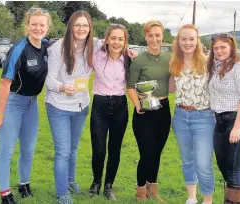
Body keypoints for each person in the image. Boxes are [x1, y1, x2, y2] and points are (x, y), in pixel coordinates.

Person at [0, 8, 51, 204]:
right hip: (12, 103)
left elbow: (75, 46)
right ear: (27, 26)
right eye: (34, 24)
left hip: (32, 104)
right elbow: (4, 83)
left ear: (47, 27)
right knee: (6, 150)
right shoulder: (19, 49)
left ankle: (24, 184)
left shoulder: (46, 46)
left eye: (42, 24)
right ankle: (5, 194)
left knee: (28, 149)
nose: (38, 28)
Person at [45, 10, 99, 204]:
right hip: (58, 105)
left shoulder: (94, 47)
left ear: (90, 28)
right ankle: (62, 193)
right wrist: (61, 86)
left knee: (73, 148)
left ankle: (70, 180)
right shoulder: (59, 48)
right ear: (71, 27)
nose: (81, 29)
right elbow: (48, 78)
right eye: (77, 25)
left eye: (85, 25)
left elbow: (115, 43)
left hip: (81, 105)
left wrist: (130, 51)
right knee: (62, 151)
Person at [169, 24, 215, 204]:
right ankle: (191, 197)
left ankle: (207, 200)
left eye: (191, 39)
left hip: (204, 117)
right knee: (187, 160)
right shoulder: (173, 62)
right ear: (178, 41)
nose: (187, 42)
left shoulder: (208, 61)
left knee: (203, 163)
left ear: (197, 41)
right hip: (180, 116)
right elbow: (171, 89)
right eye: (183, 39)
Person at [207, 33, 240, 204]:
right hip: (219, 122)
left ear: (232, 47)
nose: (219, 51)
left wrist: (237, 127)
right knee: (225, 168)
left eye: (223, 47)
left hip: (237, 121)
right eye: (216, 48)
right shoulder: (215, 66)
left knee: (234, 170)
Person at [127, 20, 171, 202]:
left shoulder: (169, 58)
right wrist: (137, 104)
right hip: (144, 112)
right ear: (145, 36)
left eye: (158, 35)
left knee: (157, 153)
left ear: (162, 36)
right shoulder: (138, 60)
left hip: (163, 110)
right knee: (147, 153)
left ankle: (153, 190)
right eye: (150, 35)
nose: (154, 39)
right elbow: (130, 86)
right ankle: (140, 192)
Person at [89, 24, 130, 200]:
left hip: (120, 105)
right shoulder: (97, 56)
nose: (116, 42)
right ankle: (96, 181)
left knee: (115, 149)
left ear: (125, 41)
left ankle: (108, 185)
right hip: (100, 104)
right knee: (98, 149)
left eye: (120, 39)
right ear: (107, 39)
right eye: (113, 38)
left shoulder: (129, 59)